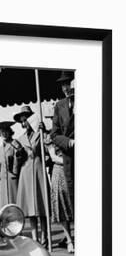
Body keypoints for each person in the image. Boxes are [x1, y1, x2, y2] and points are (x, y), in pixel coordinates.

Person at [14, 105, 50, 246]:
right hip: (26, 173)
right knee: (30, 209)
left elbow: (47, 147)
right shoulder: (19, 139)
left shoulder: (39, 134)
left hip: (38, 170)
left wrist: (44, 131)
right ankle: (35, 238)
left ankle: (44, 236)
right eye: (22, 121)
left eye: (26, 120)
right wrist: (18, 154)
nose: (24, 123)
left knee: (41, 206)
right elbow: (18, 160)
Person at [50, 71, 75, 210]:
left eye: (68, 83)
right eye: (62, 85)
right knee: (74, 198)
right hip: (69, 159)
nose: (65, 88)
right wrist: (68, 142)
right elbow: (54, 134)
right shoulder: (59, 106)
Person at [46, 139, 74, 252]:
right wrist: (69, 162)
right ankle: (69, 240)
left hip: (73, 169)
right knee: (63, 205)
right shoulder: (51, 138)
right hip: (61, 170)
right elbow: (53, 157)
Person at [0, 121, 26, 209]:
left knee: (15, 206)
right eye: (1, 132)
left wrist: (14, 173)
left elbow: (20, 159)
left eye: (6, 131)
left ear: (10, 132)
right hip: (3, 183)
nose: (4, 134)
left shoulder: (15, 144)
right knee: (5, 209)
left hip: (13, 181)